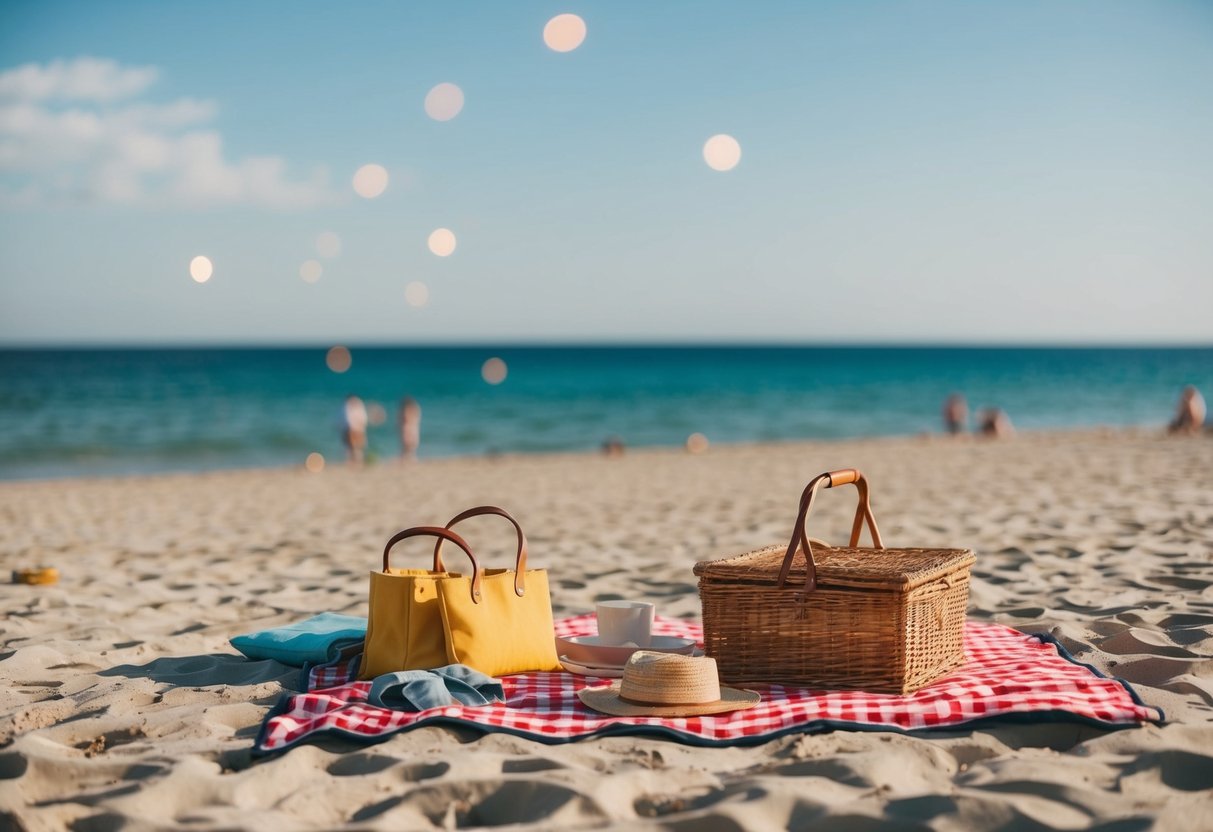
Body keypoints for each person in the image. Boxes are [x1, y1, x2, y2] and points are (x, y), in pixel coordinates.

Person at [341, 394, 368, 465]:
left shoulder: (350, 405)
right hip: (355, 429)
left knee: (356, 448)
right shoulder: (356, 405)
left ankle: (356, 462)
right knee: (353, 449)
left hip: (355, 430)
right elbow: (363, 418)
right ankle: (355, 462)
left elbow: (347, 419)